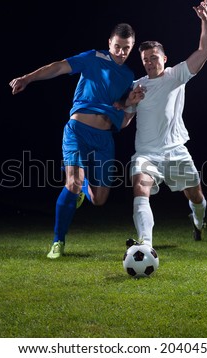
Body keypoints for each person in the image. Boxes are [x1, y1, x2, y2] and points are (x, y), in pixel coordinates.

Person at [9, 23, 144, 259]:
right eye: (117, 47)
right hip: (77, 131)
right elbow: (58, 67)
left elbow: (122, 121)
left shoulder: (129, 77)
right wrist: (27, 78)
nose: (121, 53)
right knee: (72, 182)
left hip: (104, 139)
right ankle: (58, 241)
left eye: (127, 49)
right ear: (109, 43)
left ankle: (82, 188)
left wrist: (130, 104)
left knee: (99, 199)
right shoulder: (92, 58)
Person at [125, 1, 207, 248]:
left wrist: (205, 21)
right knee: (140, 189)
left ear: (164, 58)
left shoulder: (175, 76)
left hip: (176, 151)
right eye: (145, 60)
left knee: (195, 195)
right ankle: (145, 244)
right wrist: (128, 104)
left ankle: (198, 222)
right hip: (146, 154)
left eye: (154, 58)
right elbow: (123, 122)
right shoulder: (136, 86)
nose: (150, 63)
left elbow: (204, 51)